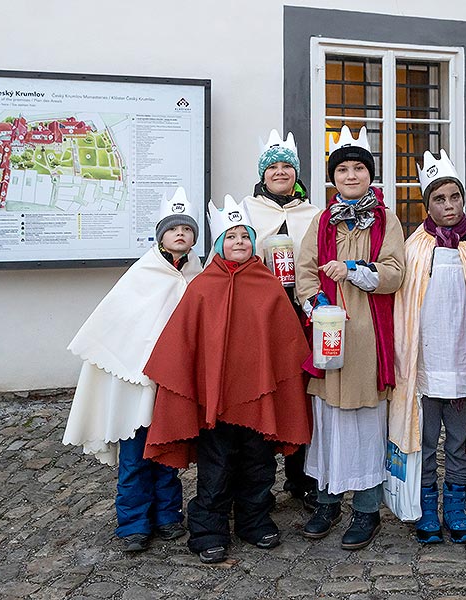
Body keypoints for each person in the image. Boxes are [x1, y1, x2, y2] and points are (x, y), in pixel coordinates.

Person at [143, 195, 312, 564]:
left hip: (258, 399)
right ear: (220, 244)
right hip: (215, 402)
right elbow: (183, 341)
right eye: (231, 236)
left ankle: (254, 520)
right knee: (216, 468)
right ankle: (209, 529)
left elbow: (286, 344)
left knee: (259, 464)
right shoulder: (202, 287)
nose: (239, 243)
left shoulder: (268, 285)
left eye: (245, 237)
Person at [63, 188, 202, 552]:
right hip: (138, 383)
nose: (181, 235)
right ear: (161, 235)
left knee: (168, 452)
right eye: (174, 229)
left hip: (174, 383)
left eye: (187, 230)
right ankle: (134, 523)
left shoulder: (196, 276)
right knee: (136, 454)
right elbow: (120, 324)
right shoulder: (142, 274)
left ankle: (169, 515)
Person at [296, 125, 405, 551]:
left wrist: (357, 270)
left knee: (363, 420)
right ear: (334, 178)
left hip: (368, 336)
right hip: (328, 333)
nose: (351, 176)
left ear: (370, 175)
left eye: (359, 168)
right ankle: (326, 499)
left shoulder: (385, 220)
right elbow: (305, 270)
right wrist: (315, 306)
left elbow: (396, 271)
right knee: (327, 419)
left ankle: (366, 507)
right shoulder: (322, 221)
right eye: (343, 170)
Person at [391, 150, 466, 544]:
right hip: (426, 362)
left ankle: (455, 507)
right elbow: (403, 305)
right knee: (424, 440)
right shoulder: (413, 247)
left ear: (463, 198)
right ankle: (426, 507)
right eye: (439, 200)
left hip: (464, 359)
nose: (448, 206)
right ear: (429, 205)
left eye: (454, 197)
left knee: (458, 441)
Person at [243, 129, 321, 510]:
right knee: (264, 390)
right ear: (262, 174)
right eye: (271, 167)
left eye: (286, 167)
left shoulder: (312, 213)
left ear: (296, 173)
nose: (279, 172)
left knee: (300, 392)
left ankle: (301, 476)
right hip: (261, 317)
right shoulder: (247, 210)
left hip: (303, 314)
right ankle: (257, 480)